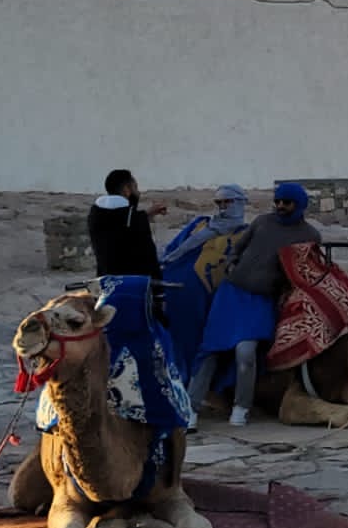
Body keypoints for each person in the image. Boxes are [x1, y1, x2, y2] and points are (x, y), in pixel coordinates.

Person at [187, 182, 320, 427]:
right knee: (210, 350)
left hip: (260, 300)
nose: (280, 206)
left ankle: (241, 407)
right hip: (231, 295)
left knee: (245, 353)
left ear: (299, 204)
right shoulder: (262, 222)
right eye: (277, 201)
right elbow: (238, 248)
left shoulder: (309, 235)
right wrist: (232, 264)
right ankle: (190, 409)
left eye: (287, 202)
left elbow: (307, 271)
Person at [159, 185, 251, 381]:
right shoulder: (200, 224)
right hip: (175, 292)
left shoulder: (245, 234)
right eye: (219, 202)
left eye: (228, 201)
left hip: (209, 299)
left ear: (240, 202)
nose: (223, 206)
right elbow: (174, 248)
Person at [88, 169, 166, 279]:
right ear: (126, 190)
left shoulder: (95, 213)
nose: (138, 193)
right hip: (132, 282)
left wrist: (146, 215)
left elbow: (119, 223)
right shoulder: (133, 219)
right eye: (135, 188)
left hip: (105, 280)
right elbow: (149, 258)